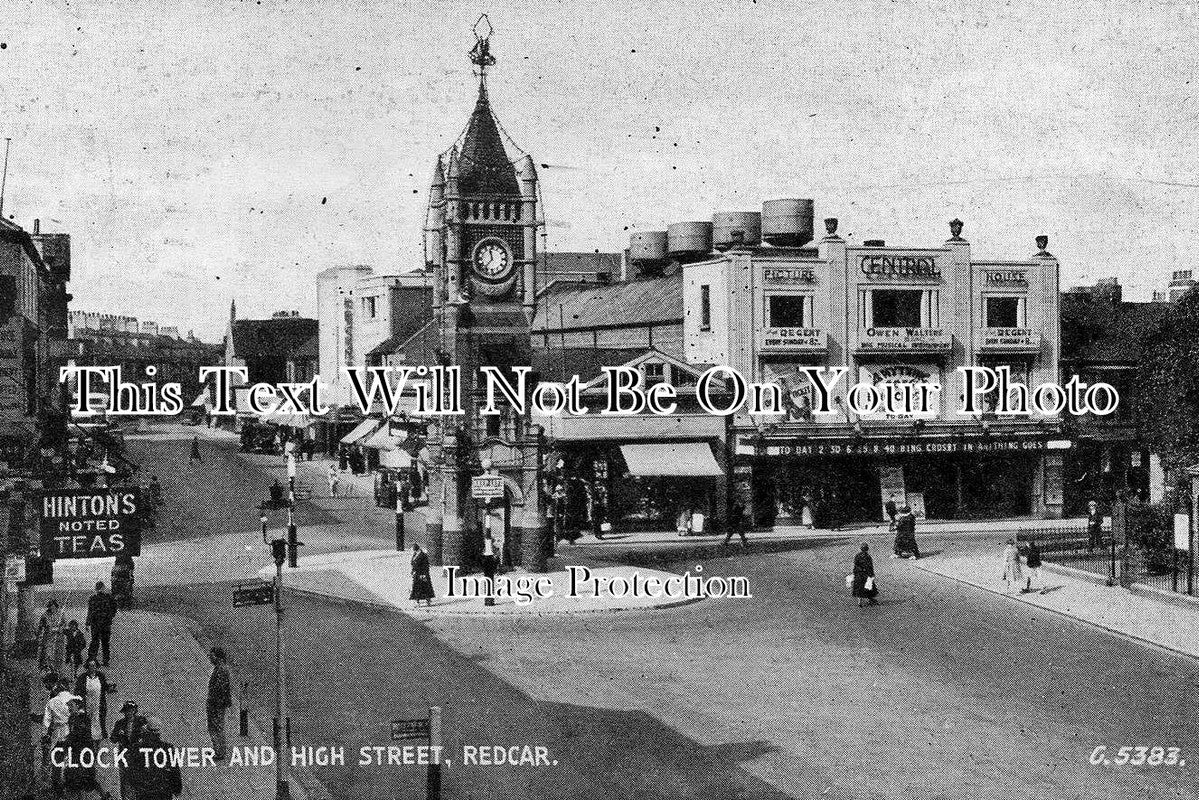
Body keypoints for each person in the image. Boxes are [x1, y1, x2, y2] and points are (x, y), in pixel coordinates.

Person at [129, 716, 183, 799]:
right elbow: (175, 772)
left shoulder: (137, 749)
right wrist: (177, 789)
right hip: (163, 792)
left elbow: (132, 774)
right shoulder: (167, 748)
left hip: (144, 793)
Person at [57, 695, 100, 796]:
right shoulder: (72, 718)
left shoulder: (83, 718)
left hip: (83, 752)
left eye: (71, 705)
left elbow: (79, 735)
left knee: (86, 779)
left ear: (77, 706)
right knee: (72, 778)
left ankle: (104, 796)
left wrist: (67, 742)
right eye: (68, 706)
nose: (69, 708)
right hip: (74, 753)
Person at [111, 700, 146, 800]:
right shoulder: (120, 723)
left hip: (138, 755)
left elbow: (147, 735)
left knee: (138, 778)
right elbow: (113, 739)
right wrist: (118, 734)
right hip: (124, 756)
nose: (128, 713)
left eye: (131, 710)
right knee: (125, 779)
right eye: (126, 711)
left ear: (134, 710)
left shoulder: (141, 721)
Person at [73, 659, 110, 741]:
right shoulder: (82, 677)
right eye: (90, 666)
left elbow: (104, 686)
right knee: (87, 722)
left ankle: (97, 740)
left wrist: (110, 688)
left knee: (98, 721)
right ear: (87, 667)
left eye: (94, 666)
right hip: (87, 703)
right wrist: (80, 704)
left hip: (98, 703)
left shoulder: (100, 676)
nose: (92, 668)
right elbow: (77, 691)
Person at [205, 646, 232, 761]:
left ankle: (220, 752)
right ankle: (219, 749)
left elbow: (219, 689)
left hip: (216, 704)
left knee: (215, 727)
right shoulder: (220, 668)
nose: (210, 658)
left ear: (218, 657)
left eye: (212, 656)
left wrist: (212, 703)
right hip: (217, 704)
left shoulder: (221, 670)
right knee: (216, 727)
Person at [86, 581, 117, 666]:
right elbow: (114, 608)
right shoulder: (108, 597)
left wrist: (87, 623)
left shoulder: (94, 598)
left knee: (98, 642)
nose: (100, 590)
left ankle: (95, 659)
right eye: (101, 588)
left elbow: (90, 611)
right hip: (102, 624)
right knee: (103, 642)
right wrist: (110, 616)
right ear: (103, 588)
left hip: (98, 624)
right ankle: (103, 660)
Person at [37, 599, 66, 673]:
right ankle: (47, 669)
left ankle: (57, 670)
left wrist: (60, 628)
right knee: (47, 653)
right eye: (51, 607)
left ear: (56, 607)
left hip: (58, 638)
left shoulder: (61, 614)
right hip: (48, 637)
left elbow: (64, 624)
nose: (52, 609)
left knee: (58, 654)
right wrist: (40, 636)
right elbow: (40, 627)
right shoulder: (45, 615)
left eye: (54, 607)